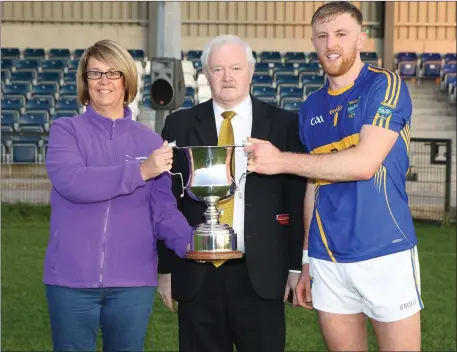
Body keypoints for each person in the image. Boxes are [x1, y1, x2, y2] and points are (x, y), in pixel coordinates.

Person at [244, 2, 423, 351]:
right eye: (322, 36)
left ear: (362, 39)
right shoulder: (311, 107)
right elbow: (314, 184)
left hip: (385, 253)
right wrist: (308, 258)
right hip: (328, 259)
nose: (331, 44)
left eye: (341, 34)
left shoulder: (384, 86)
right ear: (313, 42)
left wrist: (281, 161)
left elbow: (363, 164)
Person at [156, 34, 306, 352]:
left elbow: (295, 199)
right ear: (206, 73)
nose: (227, 77)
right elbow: (166, 201)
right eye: (218, 68)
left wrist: (295, 267)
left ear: (250, 72)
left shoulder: (284, 125)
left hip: (262, 274)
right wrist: (166, 269)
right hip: (197, 275)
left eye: (236, 68)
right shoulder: (178, 125)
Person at [43, 39, 193, 352]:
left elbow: (163, 211)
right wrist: (139, 172)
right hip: (70, 280)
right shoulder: (65, 130)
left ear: (126, 78)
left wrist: (194, 244)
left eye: (112, 73)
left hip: (132, 282)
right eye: (94, 74)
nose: (103, 81)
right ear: (84, 81)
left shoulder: (151, 141)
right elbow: (73, 182)